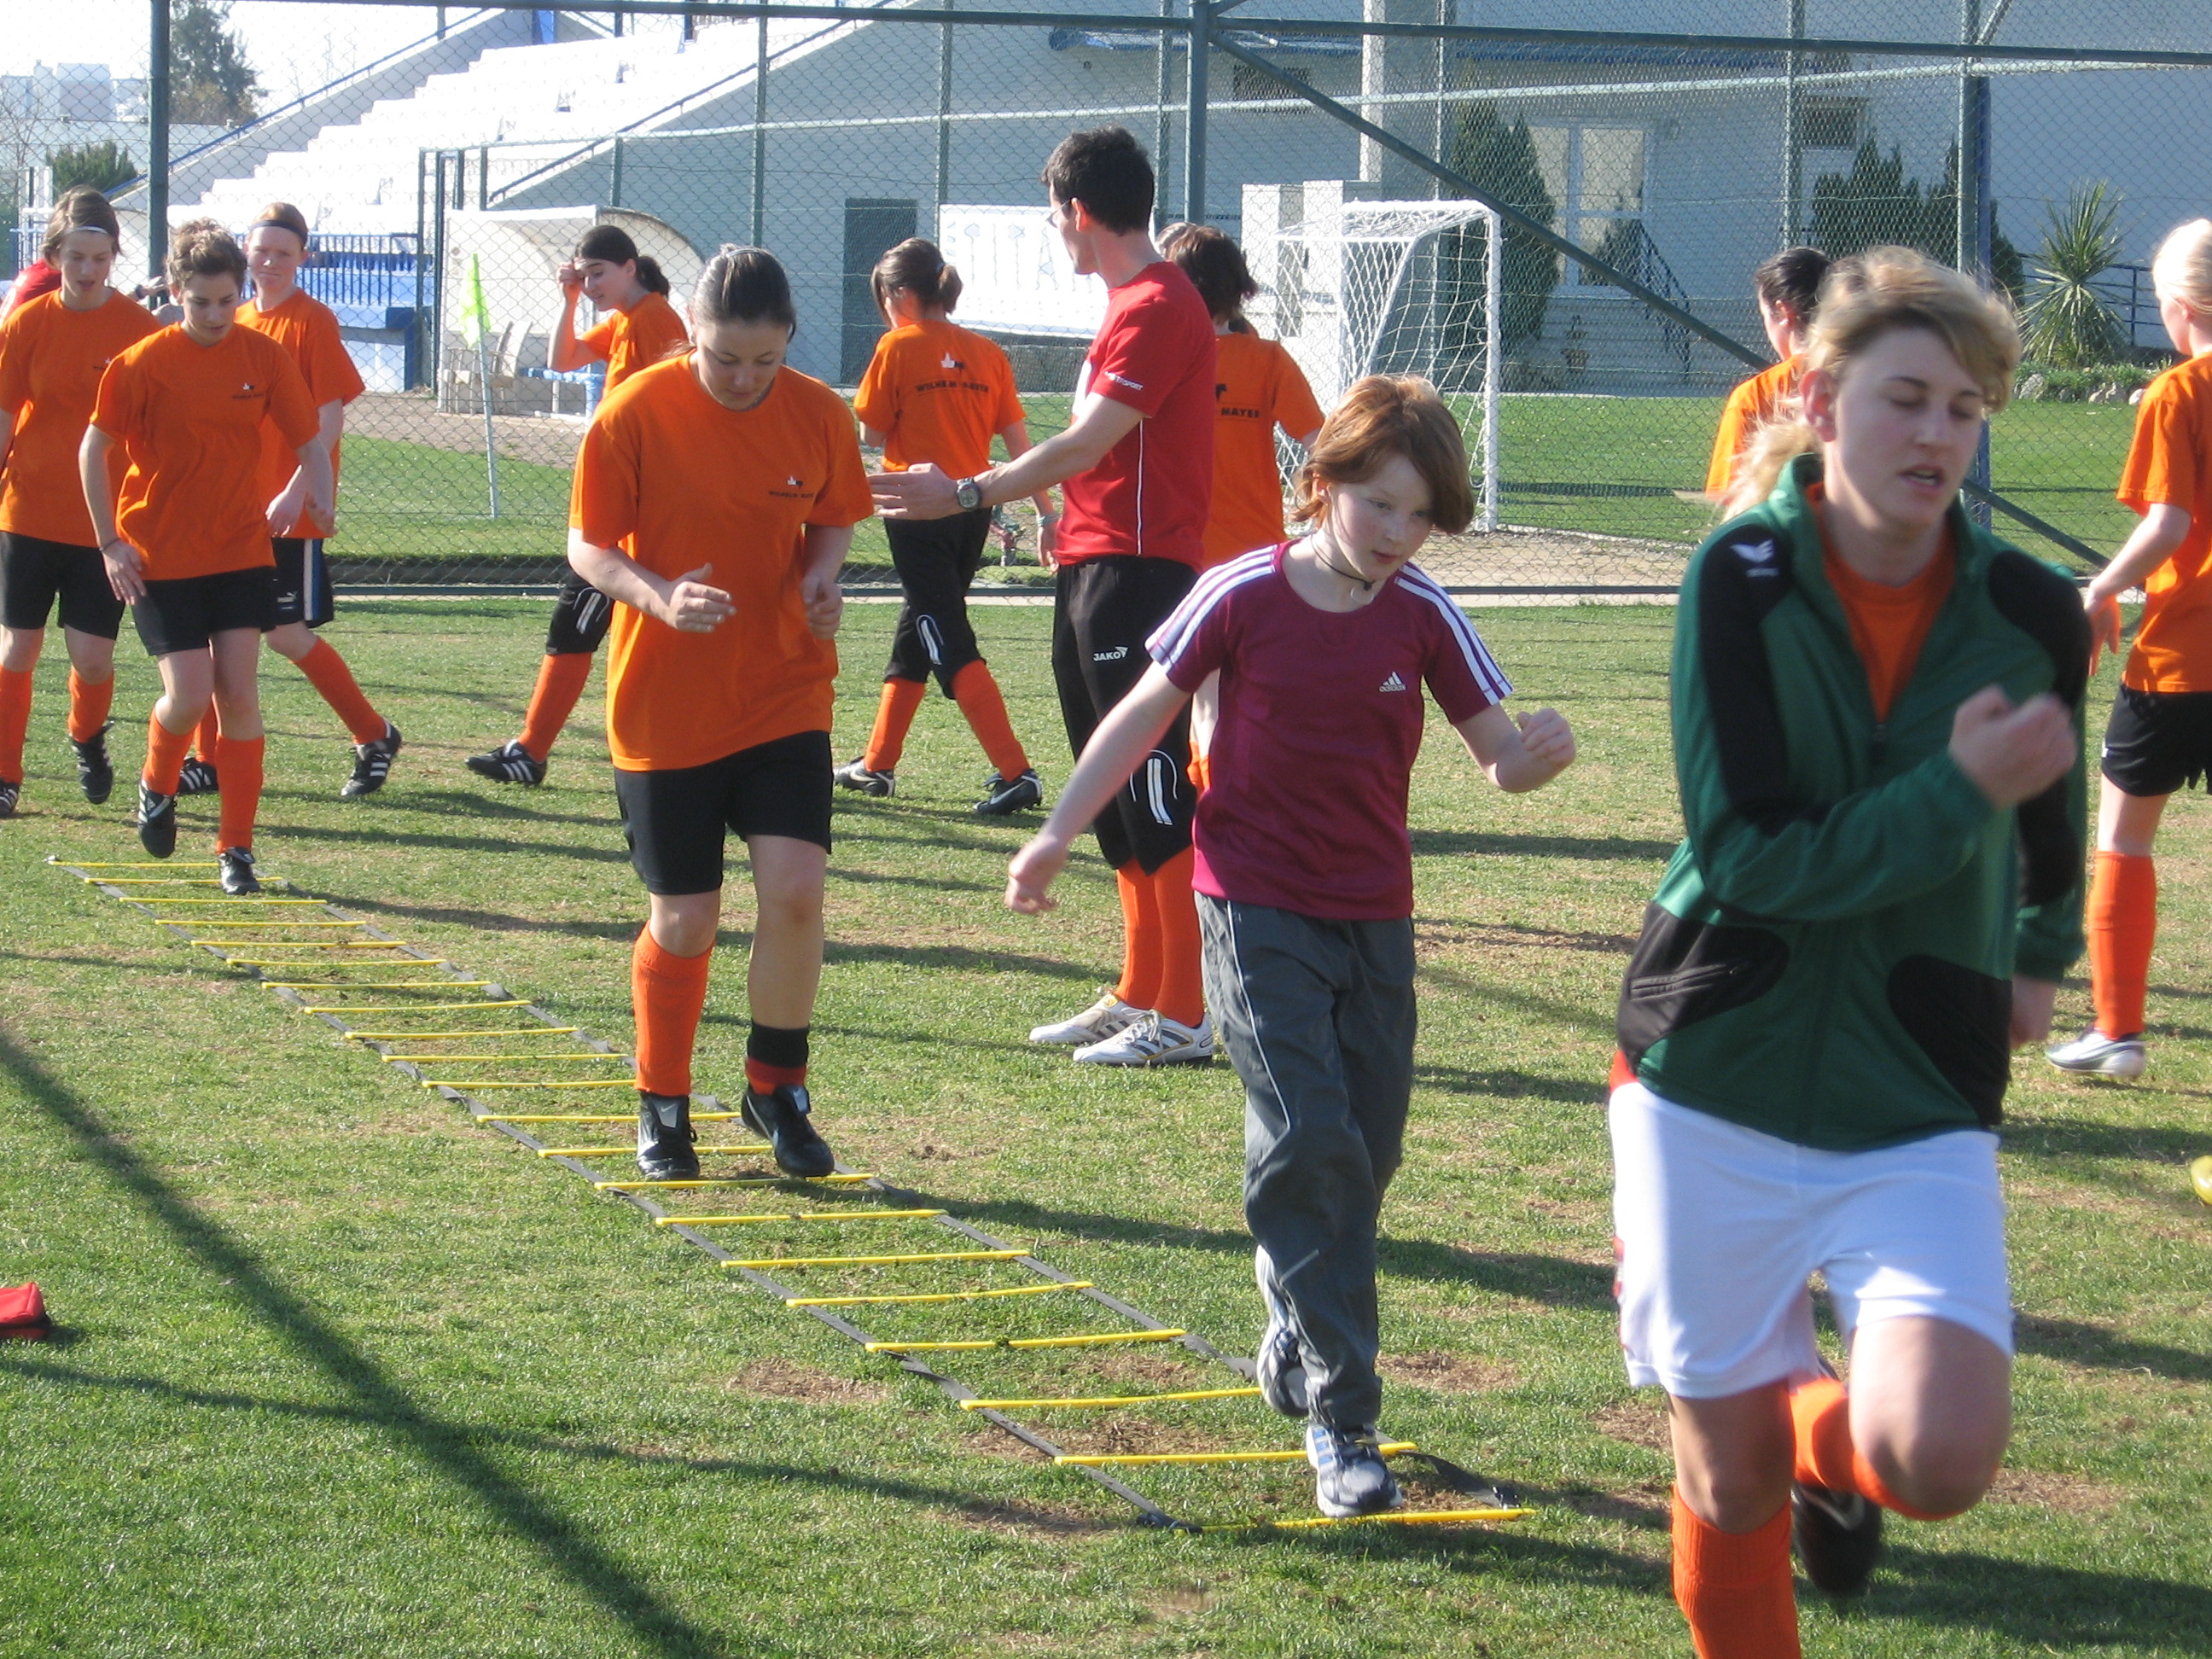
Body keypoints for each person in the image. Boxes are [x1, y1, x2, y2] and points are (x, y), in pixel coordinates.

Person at [1621, 247, 2086, 1655]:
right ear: (1821, 402)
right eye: (1905, 398)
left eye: (1965, 407)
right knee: (1728, 1482)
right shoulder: (1740, 577)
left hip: (1913, 1082)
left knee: (1937, 1457)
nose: (1938, 433)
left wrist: (2037, 949)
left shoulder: (2031, 610)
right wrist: (1952, 792)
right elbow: (1750, 857)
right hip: (1713, 1066)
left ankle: (1823, 1446)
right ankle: (1782, 1451)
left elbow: (2049, 801)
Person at [1006, 375, 1575, 1516]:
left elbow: (1496, 758)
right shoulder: (1242, 593)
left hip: (1375, 915)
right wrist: (1058, 833)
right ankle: (1344, 1420)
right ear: (1322, 484)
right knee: (1312, 1135)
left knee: (1364, 1155)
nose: (1398, 533)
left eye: (1421, 516)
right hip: (1251, 906)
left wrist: (1535, 757)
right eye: (1380, 505)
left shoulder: (1423, 613)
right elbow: (1141, 713)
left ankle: (1291, 1304)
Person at [872, 125, 1220, 1067]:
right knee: (1113, 794)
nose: (1055, 230)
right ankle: (1142, 989)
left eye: (1054, 214)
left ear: (1078, 210)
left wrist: (969, 491)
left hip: (1140, 573)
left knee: (1150, 786)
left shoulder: (1158, 302)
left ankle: (1187, 1013)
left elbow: (1085, 444)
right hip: (1095, 565)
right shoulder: (1126, 303)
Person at [566, 245, 869, 1182]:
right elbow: (589, 547)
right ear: (690, 330)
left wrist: (823, 578)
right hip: (666, 704)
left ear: (790, 342)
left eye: (765, 360)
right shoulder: (632, 412)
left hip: (784, 690)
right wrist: (657, 595)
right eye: (724, 358)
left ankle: (777, 1089)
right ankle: (662, 1102)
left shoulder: (820, 414)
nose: (745, 378)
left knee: (796, 891)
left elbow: (832, 517)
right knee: (687, 918)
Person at [80, 224, 329, 896]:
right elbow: (93, 450)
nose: (216, 315)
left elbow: (309, 440)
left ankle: (236, 848)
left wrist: (317, 492)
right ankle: (156, 784)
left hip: (239, 549)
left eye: (226, 301)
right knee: (188, 694)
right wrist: (109, 542)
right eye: (200, 303)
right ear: (175, 292)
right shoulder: (143, 362)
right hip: (160, 555)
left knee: (239, 694)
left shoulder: (263, 355)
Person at [2047, 218, 2212, 1080]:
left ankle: (2118, 1032)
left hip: (2183, 659)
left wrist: (2101, 589)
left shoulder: (2178, 393)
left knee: (2126, 837)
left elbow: (2170, 524)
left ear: (2182, 305)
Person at [172, 201, 399, 802]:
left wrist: (296, 491)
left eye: (283, 252)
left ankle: (373, 734)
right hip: (233, 507)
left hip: (285, 509)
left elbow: (328, 419)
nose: (270, 262)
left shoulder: (311, 321)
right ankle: (208, 759)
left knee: (286, 635)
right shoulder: (233, 315)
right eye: (261, 250)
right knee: (217, 629)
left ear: (303, 257)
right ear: (244, 253)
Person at [837, 236, 1055, 814]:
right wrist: (1045, 513)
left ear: (899, 295)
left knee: (944, 633)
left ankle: (1016, 771)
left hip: (915, 510)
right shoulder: (988, 352)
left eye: (884, 300)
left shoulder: (896, 345)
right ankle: (877, 765)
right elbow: (1021, 447)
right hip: (972, 508)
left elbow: (872, 433)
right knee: (919, 629)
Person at [469, 224, 690, 787]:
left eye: (598, 274)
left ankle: (534, 750)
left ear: (630, 268)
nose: (590, 284)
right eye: (584, 275)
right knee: (580, 626)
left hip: (633, 509)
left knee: (580, 624)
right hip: (618, 496)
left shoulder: (655, 319)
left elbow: (675, 409)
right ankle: (531, 749)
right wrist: (568, 300)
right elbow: (563, 357)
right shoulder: (624, 319)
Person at [0, 189, 160, 817]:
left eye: (99, 257)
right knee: (17, 648)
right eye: (75, 257)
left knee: (92, 660)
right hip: (28, 511)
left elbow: (158, 430)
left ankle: (86, 736)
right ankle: (5, 773)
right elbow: (5, 416)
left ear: (114, 255)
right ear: (54, 257)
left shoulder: (139, 331)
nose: (88, 269)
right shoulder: (26, 323)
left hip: (103, 526)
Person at [1159, 221, 1325, 776]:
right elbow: (1324, 445)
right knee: (1247, 688)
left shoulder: (1166, 357)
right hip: (1254, 557)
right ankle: (1236, 788)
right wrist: (1325, 503)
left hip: (1178, 554)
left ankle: (1212, 793)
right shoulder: (1267, 359)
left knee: (1202, 693)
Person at [1705, 246, 1831, 499]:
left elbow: (1732, 495)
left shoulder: (1756, 394)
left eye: (1765, 315)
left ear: (1783, 313)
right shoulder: (1865, 374)